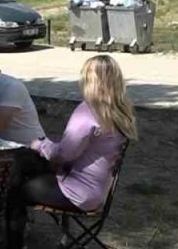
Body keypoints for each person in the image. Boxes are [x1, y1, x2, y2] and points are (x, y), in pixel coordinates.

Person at [25, 55, 136, 214]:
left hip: (77, 192)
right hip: (98, 192)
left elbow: (64, 154)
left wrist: (41, 144)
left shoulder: (88, 111)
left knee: (17, 186)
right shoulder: (120, 111)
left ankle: (12, 237)